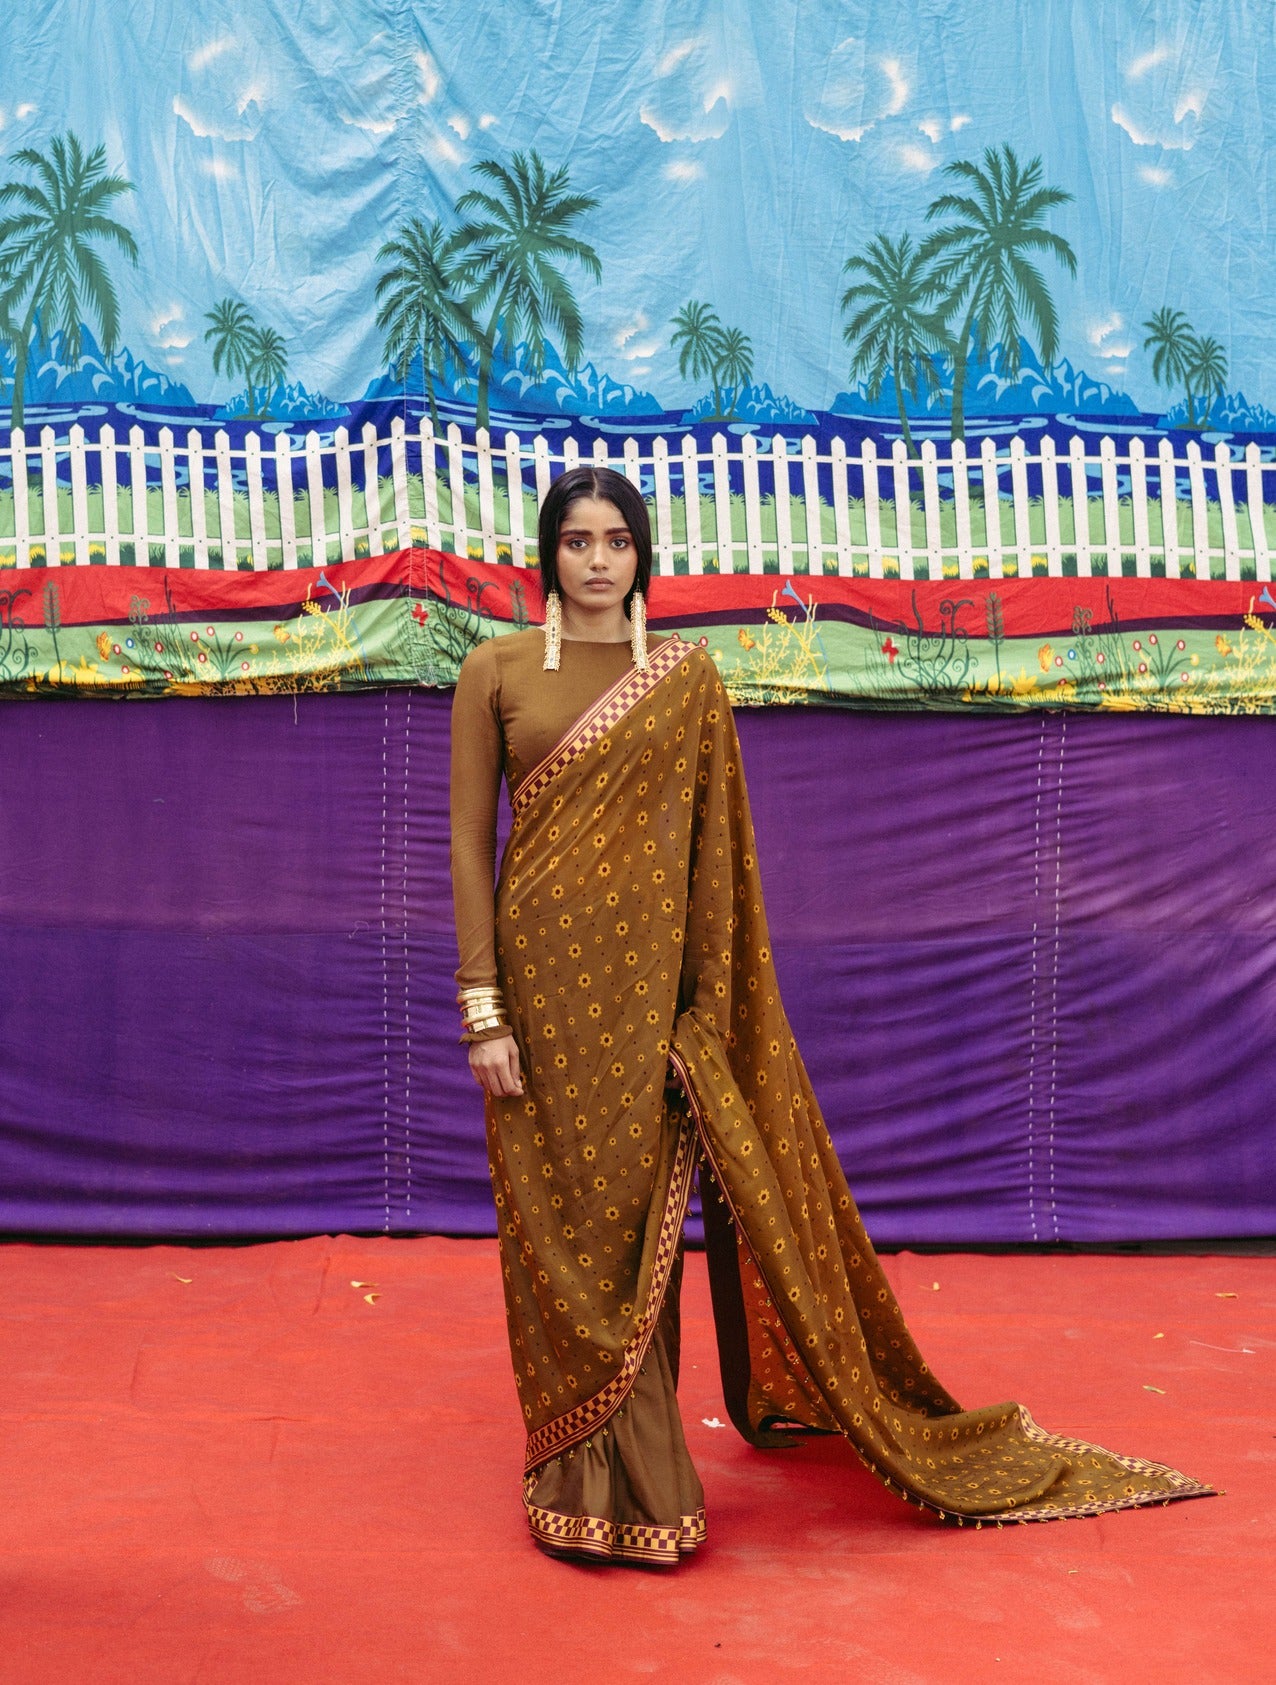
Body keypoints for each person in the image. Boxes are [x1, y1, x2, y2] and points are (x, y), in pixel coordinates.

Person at [448, 465, 1211, 1567]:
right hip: (539, 1008)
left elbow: (715, 865)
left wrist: (700, 1016)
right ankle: (565, 1464)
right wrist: (485, 1011)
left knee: (631, 1244)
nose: (600, 559)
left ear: (642, 552)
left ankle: (642, 1482)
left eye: (618, 538)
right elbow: (474, 846)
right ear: (548, 552)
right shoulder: (496, 670)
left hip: (647, 1010)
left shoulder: (684, 677)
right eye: (578, 540)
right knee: (555, 1242)